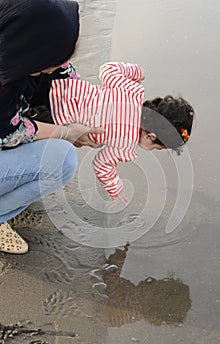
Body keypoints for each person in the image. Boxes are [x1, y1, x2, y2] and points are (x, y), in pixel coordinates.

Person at [0, 0, 104, 255]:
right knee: (61, 160)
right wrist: (67, 133)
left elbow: (68, 81)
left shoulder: (16, 41)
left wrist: (107, 116)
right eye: (54, 58)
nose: (61, 65)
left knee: (56, 104)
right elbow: (8, 134)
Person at [48, 61, 195, 204]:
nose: (152, 150)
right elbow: (101, 165)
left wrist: (138, 72)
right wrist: (115, 188)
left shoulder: (132, 91)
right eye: (156, 148)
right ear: (151, 136)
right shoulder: (126, 145)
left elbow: (107, 69)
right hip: (54, 118)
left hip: (58, 87)